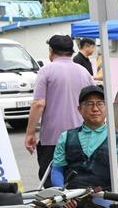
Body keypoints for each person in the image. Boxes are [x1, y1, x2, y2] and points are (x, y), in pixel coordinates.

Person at [26, 34, 93, 183]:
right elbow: (93, 104)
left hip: (53, 138)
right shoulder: (84, 72)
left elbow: (38, 104)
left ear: (51, 50)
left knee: (52, 182)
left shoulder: (46, 71)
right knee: (78, 181)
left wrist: (30, 133)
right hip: (81, 137)